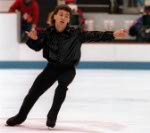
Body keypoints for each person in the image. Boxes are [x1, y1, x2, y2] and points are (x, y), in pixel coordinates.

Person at [6, 5, 128, 129]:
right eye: (61, 14)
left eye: (67, 16)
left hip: (68, 68)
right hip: (51, 68)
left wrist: (113, 34)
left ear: (69, 20)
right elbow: (37, 47)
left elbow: (95, 35)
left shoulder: (76, 34)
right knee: (33, 93)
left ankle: (52, 115)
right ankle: (20, 116)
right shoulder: (47, 33)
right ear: (54, 16)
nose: (64, 17)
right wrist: (34, 39)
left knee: (62, 86)